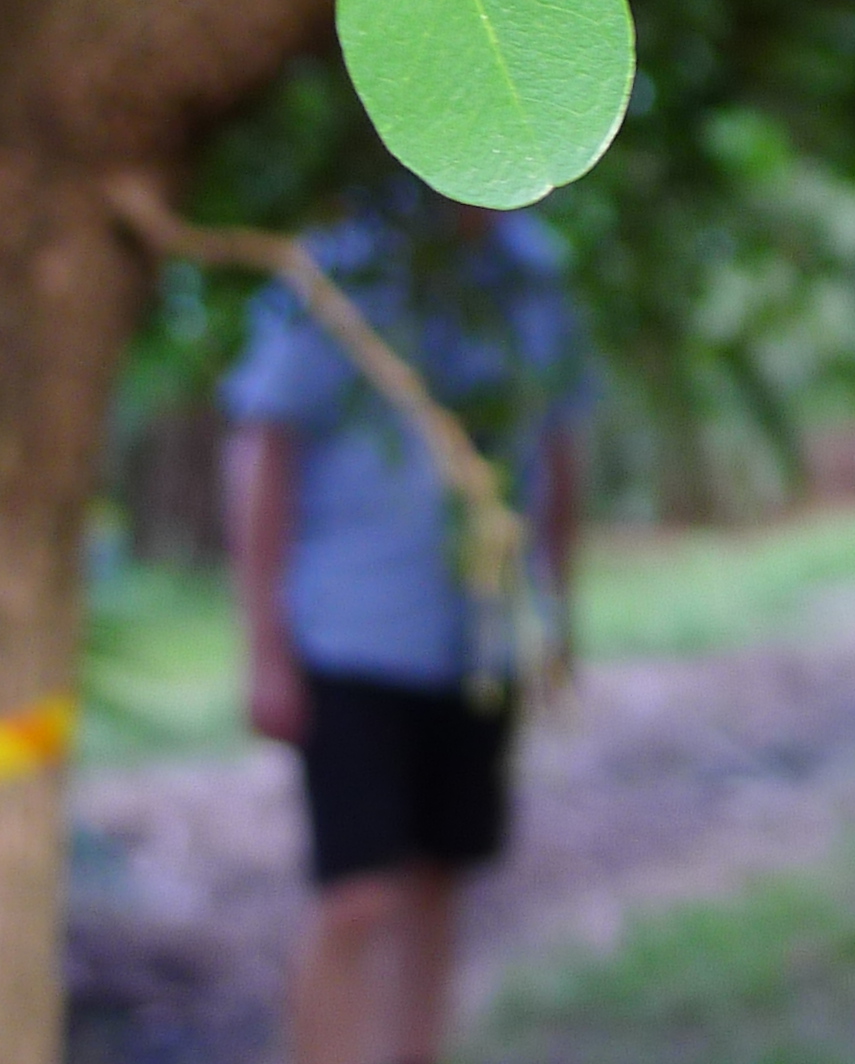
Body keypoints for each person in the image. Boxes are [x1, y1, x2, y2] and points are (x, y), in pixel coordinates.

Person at [222, 180, 590, 1064]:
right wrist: (265, 649)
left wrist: (558, 615)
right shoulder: (339, 270)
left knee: (439, 876)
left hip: (480, 638)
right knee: (357, 898)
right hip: (352, 634)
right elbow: (262, 449)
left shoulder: (537, 278)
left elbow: (559, 453)